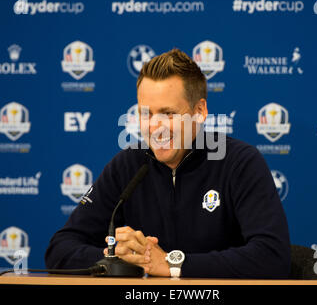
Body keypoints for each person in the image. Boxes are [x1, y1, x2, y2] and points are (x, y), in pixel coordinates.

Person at [45, 49, 291, 278]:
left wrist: (173, 264)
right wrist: (118, 257)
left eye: (169, 113)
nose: (155, 127)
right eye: (146, 114)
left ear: (200, 111)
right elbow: (59, 249)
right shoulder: (128, 165)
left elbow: (273, 256)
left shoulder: (240, 162)